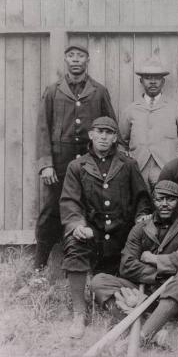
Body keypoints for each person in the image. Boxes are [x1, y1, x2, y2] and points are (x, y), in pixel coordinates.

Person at [59, 117, 152, 339]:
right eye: (99, 132)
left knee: (141, 252)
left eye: (109, 133)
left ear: (114, 138)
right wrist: (78, 225)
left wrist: (141, 217)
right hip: (93, 233)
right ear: (91, 134)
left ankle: (136, 304)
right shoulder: (77, 166)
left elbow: (142, 197)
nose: (103, 136)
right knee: (74, 244)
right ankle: (79, 314)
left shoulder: (128, 164)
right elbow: (70, 201)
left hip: (122, 231)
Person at [34, 44, 118, 271]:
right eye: (71, 56)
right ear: (65, 61)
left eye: (80, 56)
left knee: (93, 209)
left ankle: (94, 266)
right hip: (60, 164)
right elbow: (43, 128)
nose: (75, 60)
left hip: (91, 163)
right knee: (50, 211)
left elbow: (111, 126)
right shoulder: (53, 91)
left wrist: (108, 161)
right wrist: (46, 165)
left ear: (87, 60)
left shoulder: (99, 91)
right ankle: (39, 266)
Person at [90, 180, 178, 346]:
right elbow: (126, 266)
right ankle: (151, 327)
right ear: (153, 201)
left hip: (174, 292)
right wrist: (162, 271)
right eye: (159, 199)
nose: (164, 204)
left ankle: (141, 338)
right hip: (143, 292)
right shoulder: (140, 228)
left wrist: (153, 259)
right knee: (99, 281)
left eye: (170, 199)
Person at [119, 57, 178, 190]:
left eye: (157, 78)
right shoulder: (131, 110)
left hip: (167, 168)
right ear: (141, 81)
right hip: (139, 167)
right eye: (148, 78)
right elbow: (121, 142)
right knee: (141, 203)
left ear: (163, 81)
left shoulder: (175, 108)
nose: (152, 82)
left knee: (166, 201)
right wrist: (129, 160)